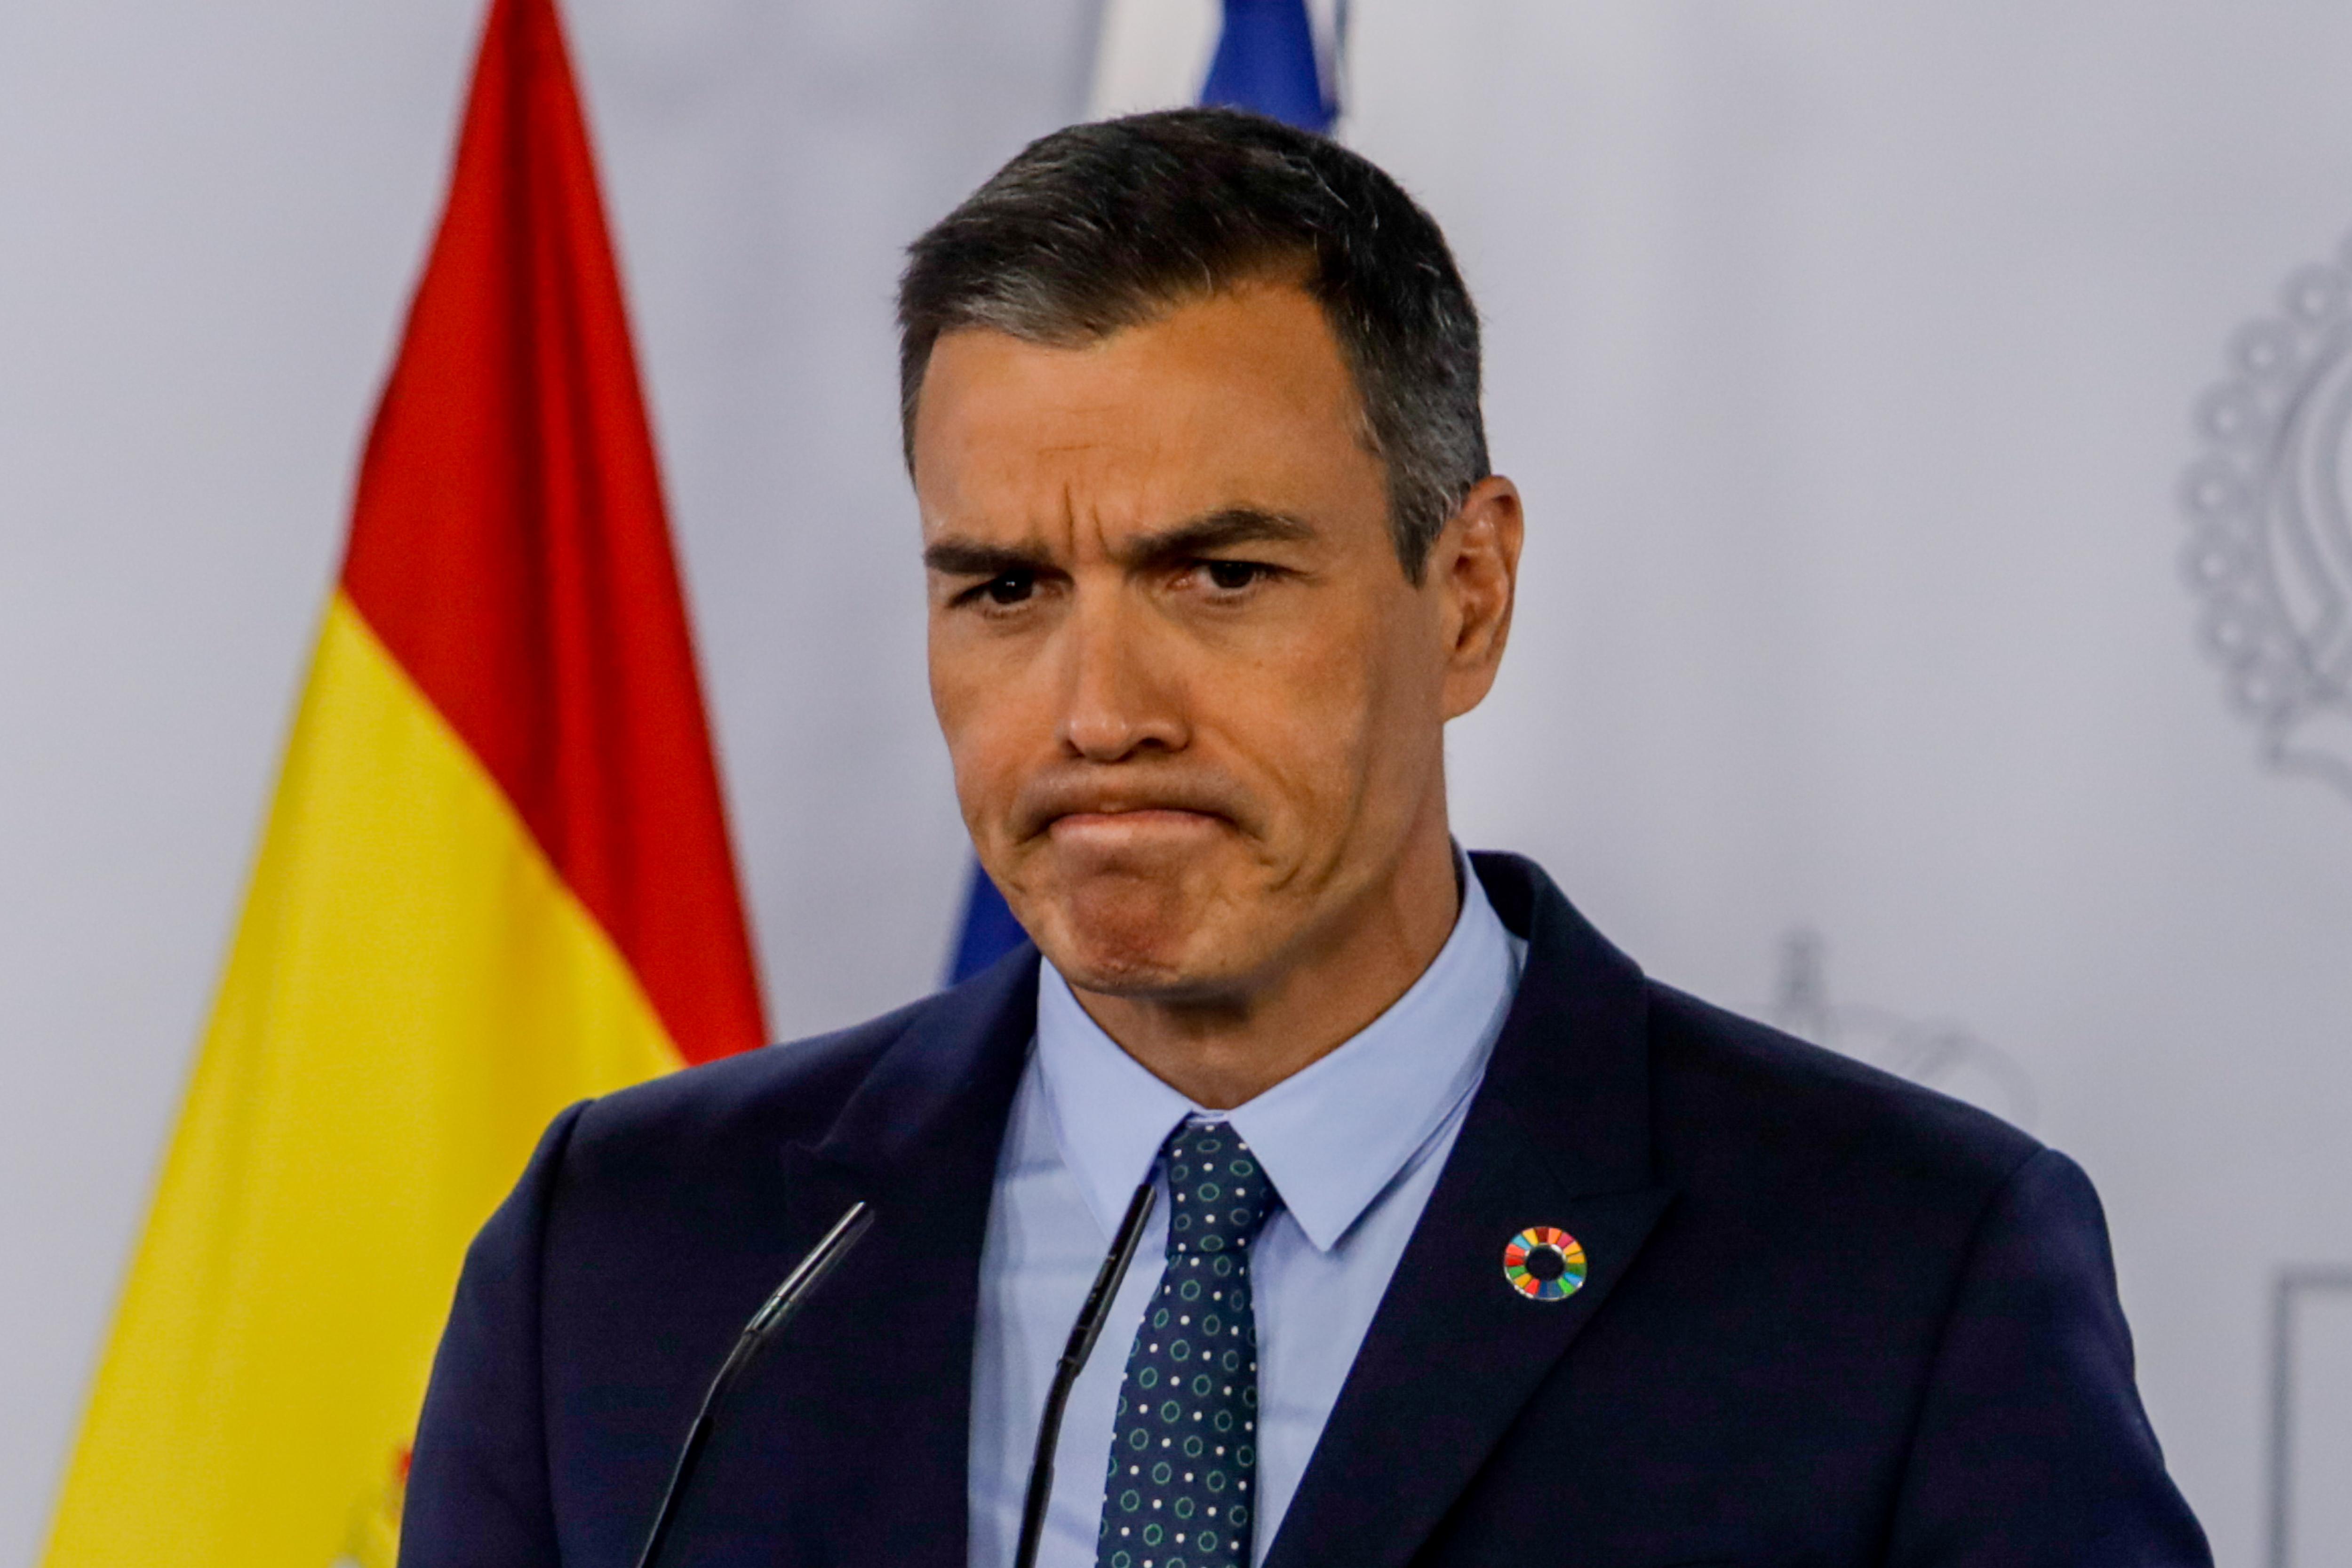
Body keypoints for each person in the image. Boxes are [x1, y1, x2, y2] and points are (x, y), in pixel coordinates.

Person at [401, 109, 2210, 1568]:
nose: (1098, 707)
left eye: (1221, 574)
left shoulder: (1903, 1274)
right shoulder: (642, 1258)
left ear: (1471, 595)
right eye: (1009, 588)